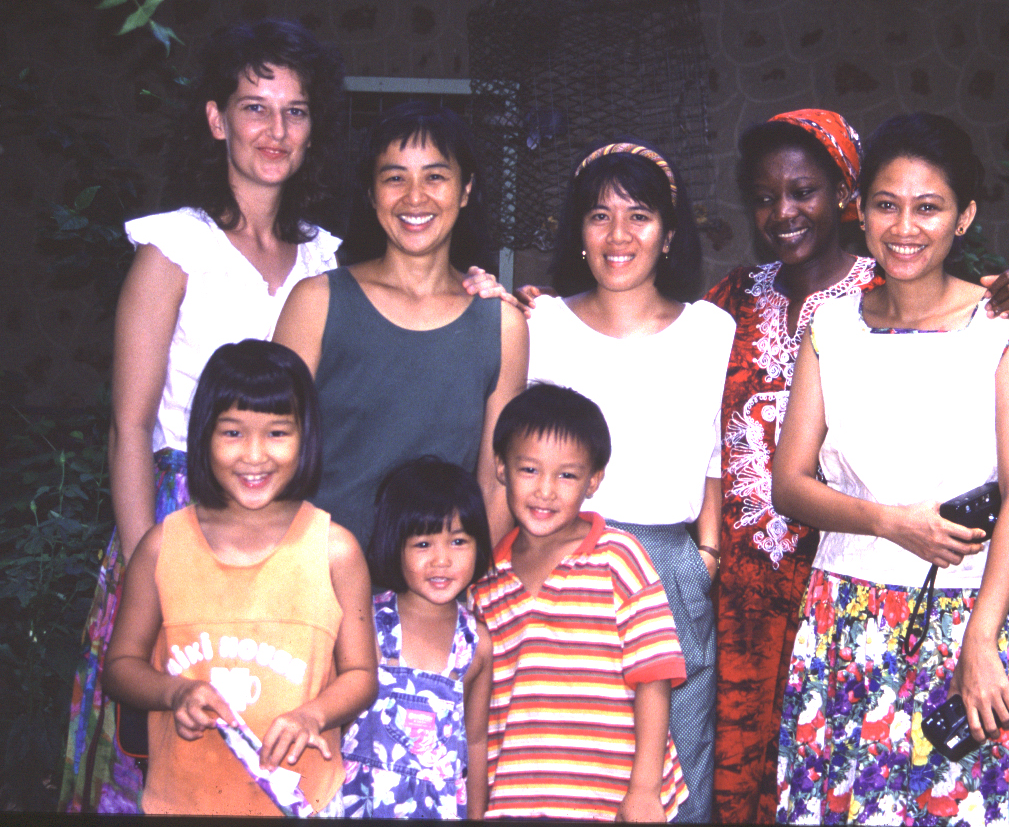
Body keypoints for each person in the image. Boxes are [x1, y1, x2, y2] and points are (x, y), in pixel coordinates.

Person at [707, 109, 1009, 823]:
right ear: (860, 211)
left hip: (963, 619)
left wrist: (982, 638)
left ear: (965, 217)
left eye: (930, 208)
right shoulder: (833, 326)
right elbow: (790, 484)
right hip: (844, 622)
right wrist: (891, 522)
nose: (905, 227)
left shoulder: (1003, 329)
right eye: (887, 205)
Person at [59, 18, 347, 814]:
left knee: (270, 741)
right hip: (180, 513)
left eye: (295, 110)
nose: (275, 130)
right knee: (168, 744)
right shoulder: (174, 248)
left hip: (285, 523)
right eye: (255, 107)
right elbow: (129, 425)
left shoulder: (327, 257)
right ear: (217, 119)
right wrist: (142, 562)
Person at [521, 138, 733, 822]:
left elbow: (715, 457)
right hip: (562, 563)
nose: (619, 235)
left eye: (639, 215)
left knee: (675, 771)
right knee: (564, 765)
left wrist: (704, 554)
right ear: (577, 233)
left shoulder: (711, 331)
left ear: (669, 234)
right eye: (599, 216)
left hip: (670, 564)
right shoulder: (538, 324)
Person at [101, 340, 376, 816]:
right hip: (181, 801)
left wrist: (314, 713)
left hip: (306, 804)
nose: (254, 455)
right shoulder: (162, 547)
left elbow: (361, 675)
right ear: (203, 435)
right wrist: (175, 692)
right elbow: (121, 667)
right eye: (232, 432)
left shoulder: (336, 550)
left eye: (276, 433)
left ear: (306, 436)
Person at [274, 100, 528, 547]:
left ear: (466, 190)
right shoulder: (317, 303)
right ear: (371, 194)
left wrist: (458, 583)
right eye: (395, 178)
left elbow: (496, 485)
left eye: (435, 176)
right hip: (315, 579)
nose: (415, 197)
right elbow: (272, 452)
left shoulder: (502, 325)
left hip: (433, 594)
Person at [472, 383, 689, 821]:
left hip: (610, 798)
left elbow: (654, 676)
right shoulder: (483, 582)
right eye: (529, 470)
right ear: (500, 468)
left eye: (567, 475)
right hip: (515, 798)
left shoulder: (617, 557)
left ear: (593, 481)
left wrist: (645, 788)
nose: (546, 491)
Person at [340, 456, 493, 819]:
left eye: (458, 541)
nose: (441, 560)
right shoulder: (368, 624)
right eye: (423, 544)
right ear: (396, 545)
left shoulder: (476, 644)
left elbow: (475, 741)